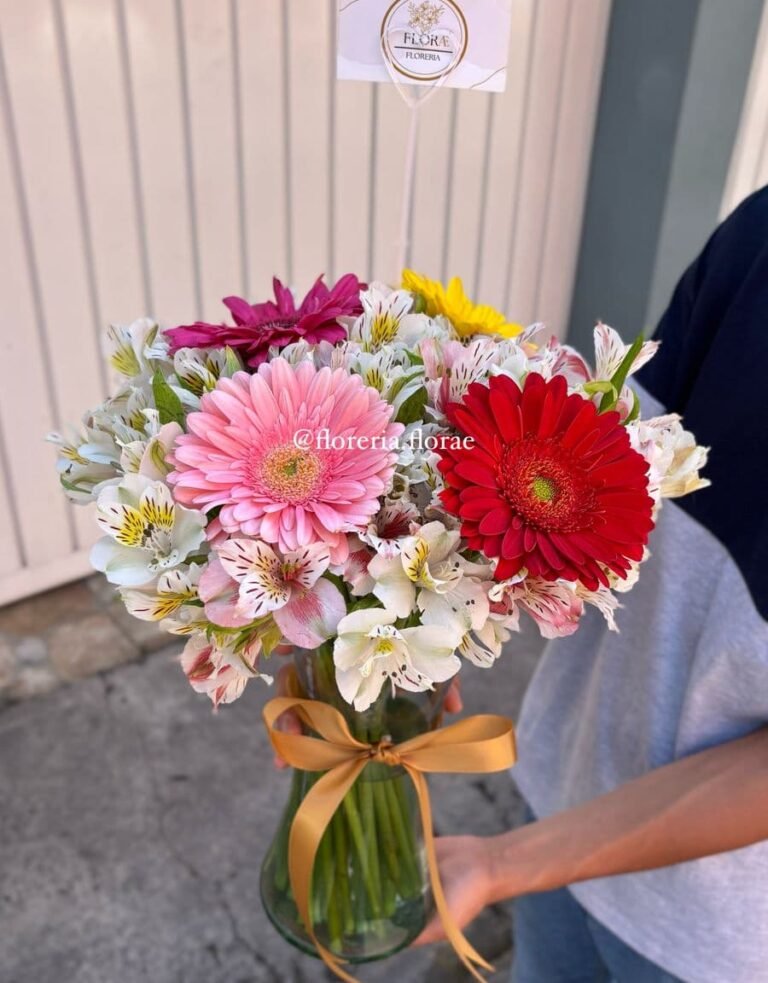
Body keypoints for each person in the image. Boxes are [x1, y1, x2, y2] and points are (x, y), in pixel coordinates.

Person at [415, 186, 768, 982]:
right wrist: (431, 617)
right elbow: (601, 481)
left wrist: (508, 862)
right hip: (564, 791)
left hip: (714, 931)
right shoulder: (762, 235)